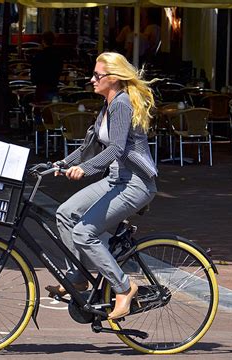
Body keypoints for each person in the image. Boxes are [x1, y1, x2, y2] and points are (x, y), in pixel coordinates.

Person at [45, 52, 158, 320]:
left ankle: (124, 287)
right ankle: (79, 277)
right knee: (65, 212)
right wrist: (60, 164)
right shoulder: (107, 105)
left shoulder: (121, 104)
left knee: (84, 232)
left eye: (97, 75)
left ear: (114, 78)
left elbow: (117, 149)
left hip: (136, 184)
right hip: (115, 179)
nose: (92, 79)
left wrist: (84, 170)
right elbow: (89, 147)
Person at [30, 31, 63, 104]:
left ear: (43, 41)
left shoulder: (39, 56)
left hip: (41, 88)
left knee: (40, 111)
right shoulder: (58, 56)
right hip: (54, 86)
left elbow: (34, 73)